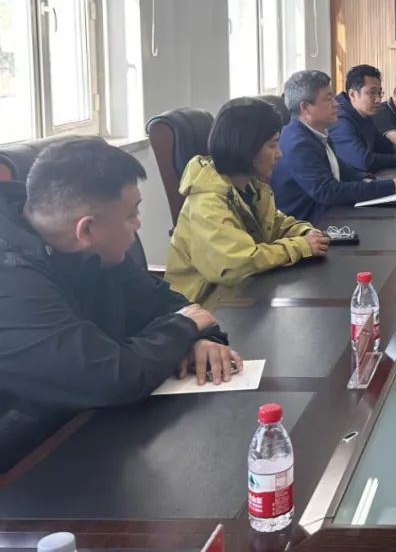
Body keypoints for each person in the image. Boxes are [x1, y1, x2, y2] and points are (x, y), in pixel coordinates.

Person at [0, 138, 241, 471]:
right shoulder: (11, 281)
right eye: (131, 215)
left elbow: (167, 303)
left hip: (93, 428)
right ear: (86, 229)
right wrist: (184, 329)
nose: (138, 224)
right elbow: (110, 375)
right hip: (27, 465)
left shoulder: (96, 252)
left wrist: (202, 339)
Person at [166, 98, 331, 305]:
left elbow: (273, 223)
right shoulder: (208, 201)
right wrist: (300, 247)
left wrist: (304, 232)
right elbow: (236, 263)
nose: (279, 154)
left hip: (243, 294)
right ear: (246, 148)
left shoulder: (250, 186)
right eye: (272, 145)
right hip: (205, 307)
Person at [272, 70, 396, 222]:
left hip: (331, 213)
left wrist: (368, 180)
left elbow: (337, 167)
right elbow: (328, 191)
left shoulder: (314, 131)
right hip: (312, 224)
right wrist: (391, 187)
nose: (336, 103)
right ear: (305, 107)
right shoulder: (298, 143)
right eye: (328, 99)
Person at [329, 65, 396, 174]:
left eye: (379, 92)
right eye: (372, 93)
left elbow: (383, 147)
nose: (378, 99)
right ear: (353, 94)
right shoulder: (338, 117)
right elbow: (364, 161)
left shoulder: (364, 113)